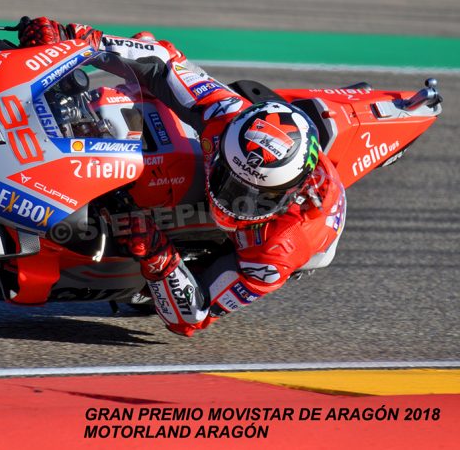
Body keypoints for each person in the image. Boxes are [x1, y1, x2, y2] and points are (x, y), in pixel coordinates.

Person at [18, 17, 347, 337]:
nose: (235, 200)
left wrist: (158, 254)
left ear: (290, 191)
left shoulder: (277, 249)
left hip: (284, 239)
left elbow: (193, 318)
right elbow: (160, 59)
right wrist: (72, 39)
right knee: (140, 85)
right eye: (229, 181)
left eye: (256, 195)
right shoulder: (225, 115)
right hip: (242, 141)